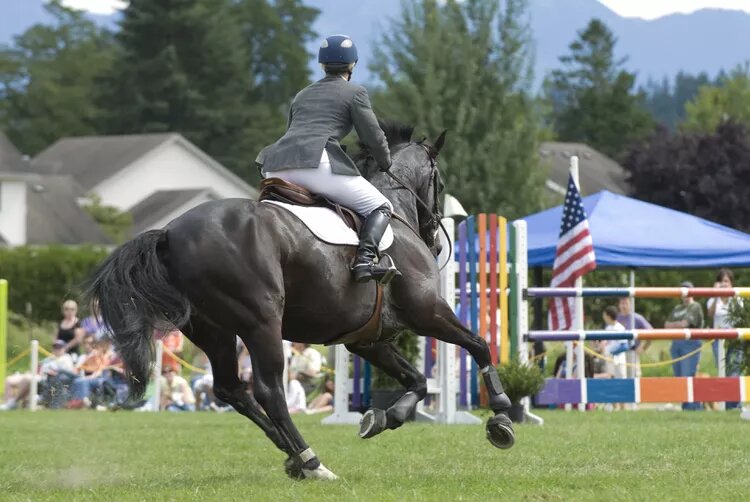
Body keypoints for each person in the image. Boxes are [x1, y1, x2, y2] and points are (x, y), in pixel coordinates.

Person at [255, 34, 397, 283]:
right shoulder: (355, 92)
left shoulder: (301, 95)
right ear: (352, 65)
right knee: (382, 206)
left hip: (274, 165)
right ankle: (364, 261)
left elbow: (292, 130)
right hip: (315, 163)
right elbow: (373, 137)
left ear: (322, 65)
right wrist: (386, 163)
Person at [666, 281, 704, 410]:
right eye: (683, 291)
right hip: (676, 343)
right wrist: (678, 324)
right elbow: (666, 325)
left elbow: (685, 324)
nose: (685, 294)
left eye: (688, 290)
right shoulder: (677, 308)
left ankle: (694, 406)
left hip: (690, 343)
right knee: (679, 376)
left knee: (688, 374)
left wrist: (675, 325)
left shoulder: (695, 306)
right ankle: (685, 406)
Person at [707, 268, 742, 409]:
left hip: (735, 340)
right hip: (718, 340)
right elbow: (710, 314)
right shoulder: (712, 299)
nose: (724, 284)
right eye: (721, 281)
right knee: (723, 372)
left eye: (726, 281)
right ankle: (726, 404)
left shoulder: (737, 298)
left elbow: (741, 317)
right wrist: (716, 295)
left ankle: (734, 405)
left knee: (735, 371)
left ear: (731, 283)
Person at [616, 297, 653, 378]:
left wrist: (643, 347)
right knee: (619, 377)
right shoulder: (616, 318)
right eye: (622, 303)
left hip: (631, 352)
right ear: (619, 305)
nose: (624, 306)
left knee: (634, 377)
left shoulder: (636, 318)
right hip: (618, 353)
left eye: (626, 303)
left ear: (630, 305)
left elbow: (651, 332)